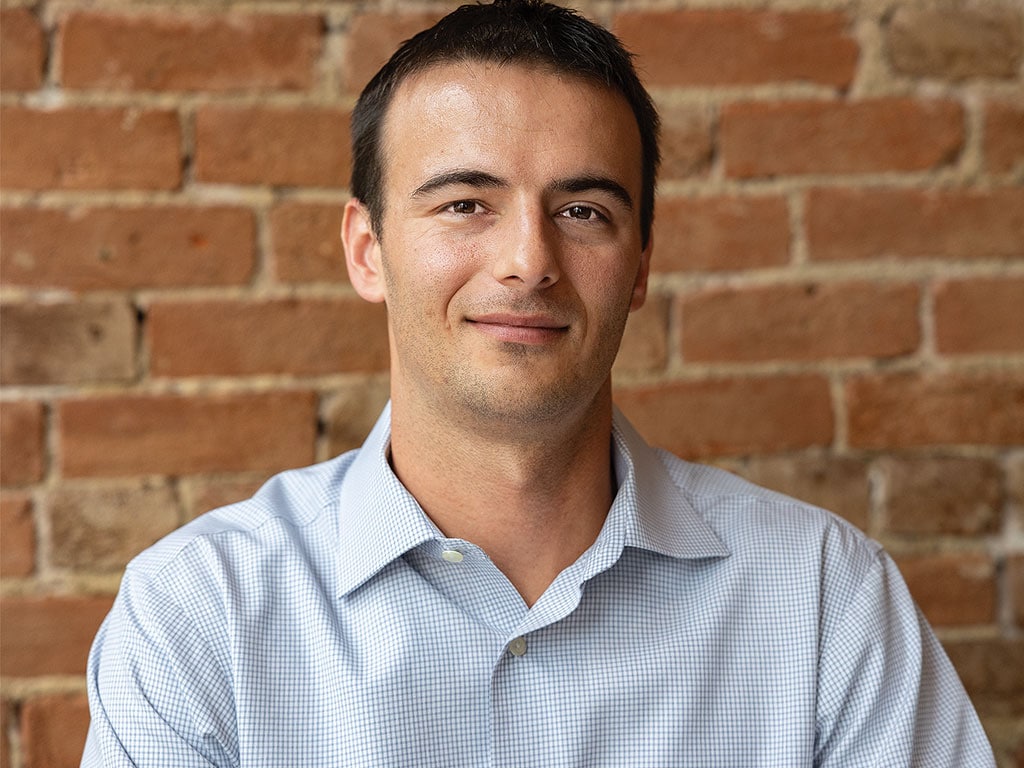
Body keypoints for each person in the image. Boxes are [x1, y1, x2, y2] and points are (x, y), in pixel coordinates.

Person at [82, 1, 995, 765]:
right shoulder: (201, 620)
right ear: (368, 251)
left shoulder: (826, 603)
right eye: (465, 203)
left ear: (638, 266)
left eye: (582, 210)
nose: (529, 261)